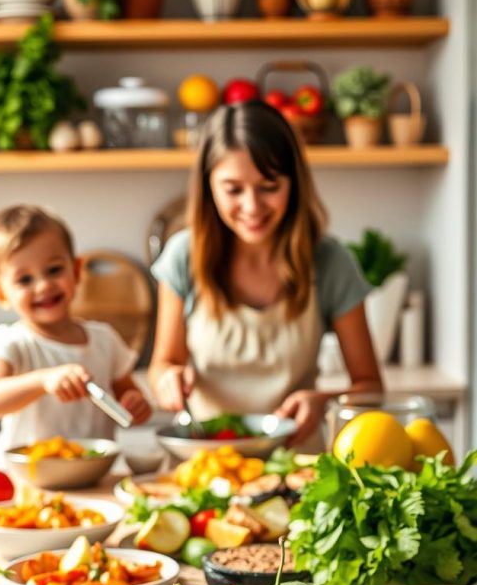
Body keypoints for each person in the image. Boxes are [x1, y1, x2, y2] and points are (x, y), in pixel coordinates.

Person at [148, 100, 382, 449]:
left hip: (298, 467)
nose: (252, 207)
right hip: (204, 465)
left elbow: (371, 389)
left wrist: (324, 401)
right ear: (209, 186)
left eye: (269, 186)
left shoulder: (330, 261)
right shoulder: (185, 255)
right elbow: (162, 365)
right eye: (233, 190)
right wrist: (167, 379)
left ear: (294, 183)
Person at [0, 204, 151, 469]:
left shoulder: (105, 339)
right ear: (0, 295)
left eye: (54, 270)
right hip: (28, 482)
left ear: (76, 271)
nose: (43, 285)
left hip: (94, 477)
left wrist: (137, 405)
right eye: (24, 280)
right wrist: (44, 380)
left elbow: (130, 397)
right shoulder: (8, 343)